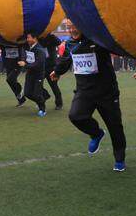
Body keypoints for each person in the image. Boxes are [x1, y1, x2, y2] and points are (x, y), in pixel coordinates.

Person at [51, 20, 127, 172]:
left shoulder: (98, 40)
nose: (72, 30)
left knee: (115, 127)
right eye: (69, 27)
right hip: (84, 91)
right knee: (76, 116)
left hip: (107, 92)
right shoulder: (70, 45)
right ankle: (96, 133)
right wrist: (57, 72)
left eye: (75, 26)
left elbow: (118, 47)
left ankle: (119, 159)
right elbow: (66, 60)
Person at [18, 33, 47, 117]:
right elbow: (26, 57)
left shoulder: (40, 49)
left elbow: (38, 64)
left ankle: (42, 109)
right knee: (27, 93)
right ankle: (43, 98)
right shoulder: (29, 47)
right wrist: (24, 61)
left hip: (38, 75)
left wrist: (25, 65)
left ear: (35, 39)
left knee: (37, 94)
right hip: (30, 74)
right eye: (27, 38)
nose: (27, 39)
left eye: (29, 38)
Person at [39, 33, 63, 110]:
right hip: (41, 67)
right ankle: (45, 96)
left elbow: (60, 43)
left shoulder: (51, 37)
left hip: (51, 66)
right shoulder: (37, 37)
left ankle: (59, 104)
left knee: (54, 86)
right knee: (37, 84)